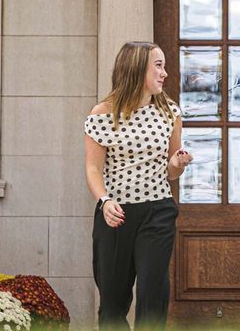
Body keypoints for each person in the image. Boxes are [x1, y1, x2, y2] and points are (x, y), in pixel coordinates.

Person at [84, 41, 194, 329]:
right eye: (158, 65)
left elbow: (170, 171)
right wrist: (104, 201)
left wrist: (177, 164)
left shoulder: (170, 112)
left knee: (153, 294)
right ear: (136, 69)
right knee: (112, 302)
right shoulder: (101, 114)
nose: (165, 73)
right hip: (116, 213)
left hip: (157, 211)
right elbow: (93, 168)